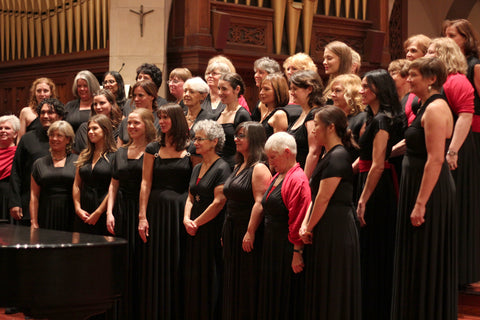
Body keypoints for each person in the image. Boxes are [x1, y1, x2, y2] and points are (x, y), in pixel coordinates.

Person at [391, 56, 456, 320]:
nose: (408, 79)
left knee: (425, 258)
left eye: (413, 75)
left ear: (431, 79)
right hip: (417, 186)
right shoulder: (422, 106)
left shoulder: (436, 108)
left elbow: (436, 158)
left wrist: (420, 203)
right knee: (415, 256)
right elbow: (415, 142)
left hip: (428, 191)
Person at [426, 37, 480, 288]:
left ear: (445, 55)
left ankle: (458, 272)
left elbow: (465, 116)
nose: (427, 55)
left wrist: (453, 151)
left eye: (431, 52)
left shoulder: (456, 80)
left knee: (457, 207)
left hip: (456, 149)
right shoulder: (437, 81)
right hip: (444, 147)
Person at [300, 106, 361, 320]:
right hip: (325, 224)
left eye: (317, 124)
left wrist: (309, 226)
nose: (313, 129)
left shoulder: (338, 156)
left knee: (334, 282)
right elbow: (315, 194)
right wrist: (305, 224)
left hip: (336, 228)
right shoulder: (329, 154)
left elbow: (324, 198)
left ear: (331, 127)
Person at [356, 69, 404, 320]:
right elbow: (363, 161)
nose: (361, 90)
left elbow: (377, 163)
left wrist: (363, 199)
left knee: (375, 247)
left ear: (379, 90)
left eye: (366, 86)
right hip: (367, 180)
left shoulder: (383, 120)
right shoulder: (370, 117)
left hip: (378, 187)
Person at [137, 103, 191, 320]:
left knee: (178, 260)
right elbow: (145, 183)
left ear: (176, 120)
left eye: (166, 117)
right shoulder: (152, 149)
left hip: (180, 210)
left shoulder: (191, 148)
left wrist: (189, 212)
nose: (161, 122)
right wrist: (142, 216)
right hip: (157, 210)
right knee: (156, 261)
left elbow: (194, 184)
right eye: (160, 118)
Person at [106, 108, 156, 319]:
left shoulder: (154, 150)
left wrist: (142, 214)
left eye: (136, 123)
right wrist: (109, 212)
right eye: (129, 124)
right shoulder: (120, 152)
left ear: (147, 124)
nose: (132, 127)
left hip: (145, 209)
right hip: (122, 210)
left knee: (143, 262)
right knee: (122, 263)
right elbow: (113, 185)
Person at [258, 132, 310, 320]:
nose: (270, 163)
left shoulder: (297, 179)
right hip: (273, 244)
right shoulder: (279, 175)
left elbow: (298, 218)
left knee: (284, 296)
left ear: (287, 152)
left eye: (273, 157)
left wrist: (297, 252)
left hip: (286, 248)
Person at [222, 121, 271, 320]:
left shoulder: (259, 168)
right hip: (232, 227)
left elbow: (259, 203)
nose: (236, 139)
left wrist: (250, 232)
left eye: (241, 135)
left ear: (255, 139)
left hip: (247, 230)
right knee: (233, 279)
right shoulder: (238, 165)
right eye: (236, 135)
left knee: (246, 281)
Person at [183, 119, 231, 320]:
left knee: (210, 274)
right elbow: (190, 197)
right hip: (193, 228)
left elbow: (219, 202)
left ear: (214, 141)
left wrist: (197, 222)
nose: (195, 142)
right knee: (195, 276)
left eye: (200, 138)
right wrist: (186, 219)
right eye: (195, 138)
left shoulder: (222, 168)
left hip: (211, 227)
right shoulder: (196, 167)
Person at [9, 98, 65, 226]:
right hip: (28, 204)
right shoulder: (27, 139)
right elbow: (16, 171)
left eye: (50, 112)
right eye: (42, 112)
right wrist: (15, 202)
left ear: (60, 116)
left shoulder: (68, 138)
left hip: (59, 207)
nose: (45, 116)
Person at [73, 114, 116, 235]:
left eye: (95, 128)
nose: (90, 132)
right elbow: (76, 184)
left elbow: (113, 187)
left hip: (104, 208)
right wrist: (77, 208)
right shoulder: (84, 155)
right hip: (84, 209)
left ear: (105, 130)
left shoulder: (115, 156)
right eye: (89, 129)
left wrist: (98, 212)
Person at [30, 120, 77, 231]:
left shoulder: (78, 161)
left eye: (59, 135)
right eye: (52, 135)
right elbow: (34, 195)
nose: (54, 139)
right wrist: (34, 221)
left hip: (71, 213)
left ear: (68, 139)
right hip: (45, 213)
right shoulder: (39, 163)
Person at [287, 70, 325, 178]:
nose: (291, 92)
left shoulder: (314, 115)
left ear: (309, 89)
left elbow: (314, 152)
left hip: (303, 175)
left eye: (295, 89)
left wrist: (304, 181)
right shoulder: (303, 112)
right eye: (291, 89)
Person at [216, 73, 252, 169]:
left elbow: (248, 146)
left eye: (224, 89)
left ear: (237, 89)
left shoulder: (242, 115)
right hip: (218, 165)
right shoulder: (219, 113)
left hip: (233, 166)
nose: (220, 93)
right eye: (219, 88)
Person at [328, 73, 366, 160]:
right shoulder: (333, 117)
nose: (332, 95)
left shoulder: (362, 118)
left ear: (351, 93)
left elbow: (364, 153)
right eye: (332, 91)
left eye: (337, 91)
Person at [73, 89, 123, 153]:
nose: (98, 107)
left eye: (102, 103)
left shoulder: (120, 127)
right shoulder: (85, 128)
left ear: (111, 104)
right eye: (95, 104)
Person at [183, 77, 215, 166]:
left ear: (203, 95)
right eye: (185, 91)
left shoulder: (209, 119)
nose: (186, 94)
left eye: (191, 92)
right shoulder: (180, 117)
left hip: (200, 163)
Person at [117, 80, 159, 146]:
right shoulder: (126, 121)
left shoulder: (159, 119)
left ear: (152, 96)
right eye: (134, 95)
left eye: (140, 95)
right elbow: (119, 148)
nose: (136, 99)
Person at [257, 73, 290, 138]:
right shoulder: (266, 110)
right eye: (261, 89)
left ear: (278, 91)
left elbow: (278, 144)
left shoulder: (279, 114)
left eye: (266, 89)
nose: (261, 92)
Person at [0, 115, 20, 222]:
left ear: (15, 133)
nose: (3, 131)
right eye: (0, 128)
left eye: (7, 128)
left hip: (8, 199)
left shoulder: (19, 153)